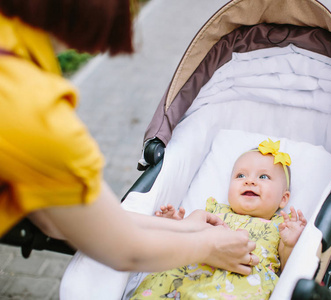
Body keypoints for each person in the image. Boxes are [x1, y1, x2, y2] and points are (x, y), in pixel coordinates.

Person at [0, 0, 256, 275]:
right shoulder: (36, 114)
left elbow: (58, 221)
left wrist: (183, 228)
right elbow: (126, 250)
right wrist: (208, 246)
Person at [131, 139, 308, 300]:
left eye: (263, 177)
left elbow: (287, 270)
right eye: (240, 175)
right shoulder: (213, 212)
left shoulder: (281, 226)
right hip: (189, 273)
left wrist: (290, 245)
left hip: (241, 283)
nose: (249, 181)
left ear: (284, 199)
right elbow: (186, 240)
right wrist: (174, 225)